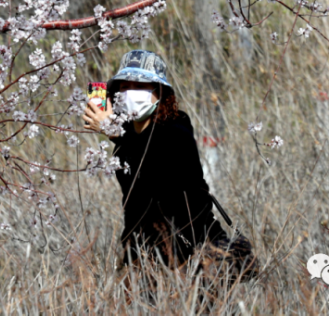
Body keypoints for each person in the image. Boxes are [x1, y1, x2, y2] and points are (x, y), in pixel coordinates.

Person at [82, 49, 229, 268]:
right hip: (144, 255)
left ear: (160, 92)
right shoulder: (127, 139)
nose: (131, 92)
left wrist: (113, 131)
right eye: (125, 86)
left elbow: (157, 168)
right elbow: (135, 205)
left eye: (141, 86)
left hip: (192, 254)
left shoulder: (177, 129)